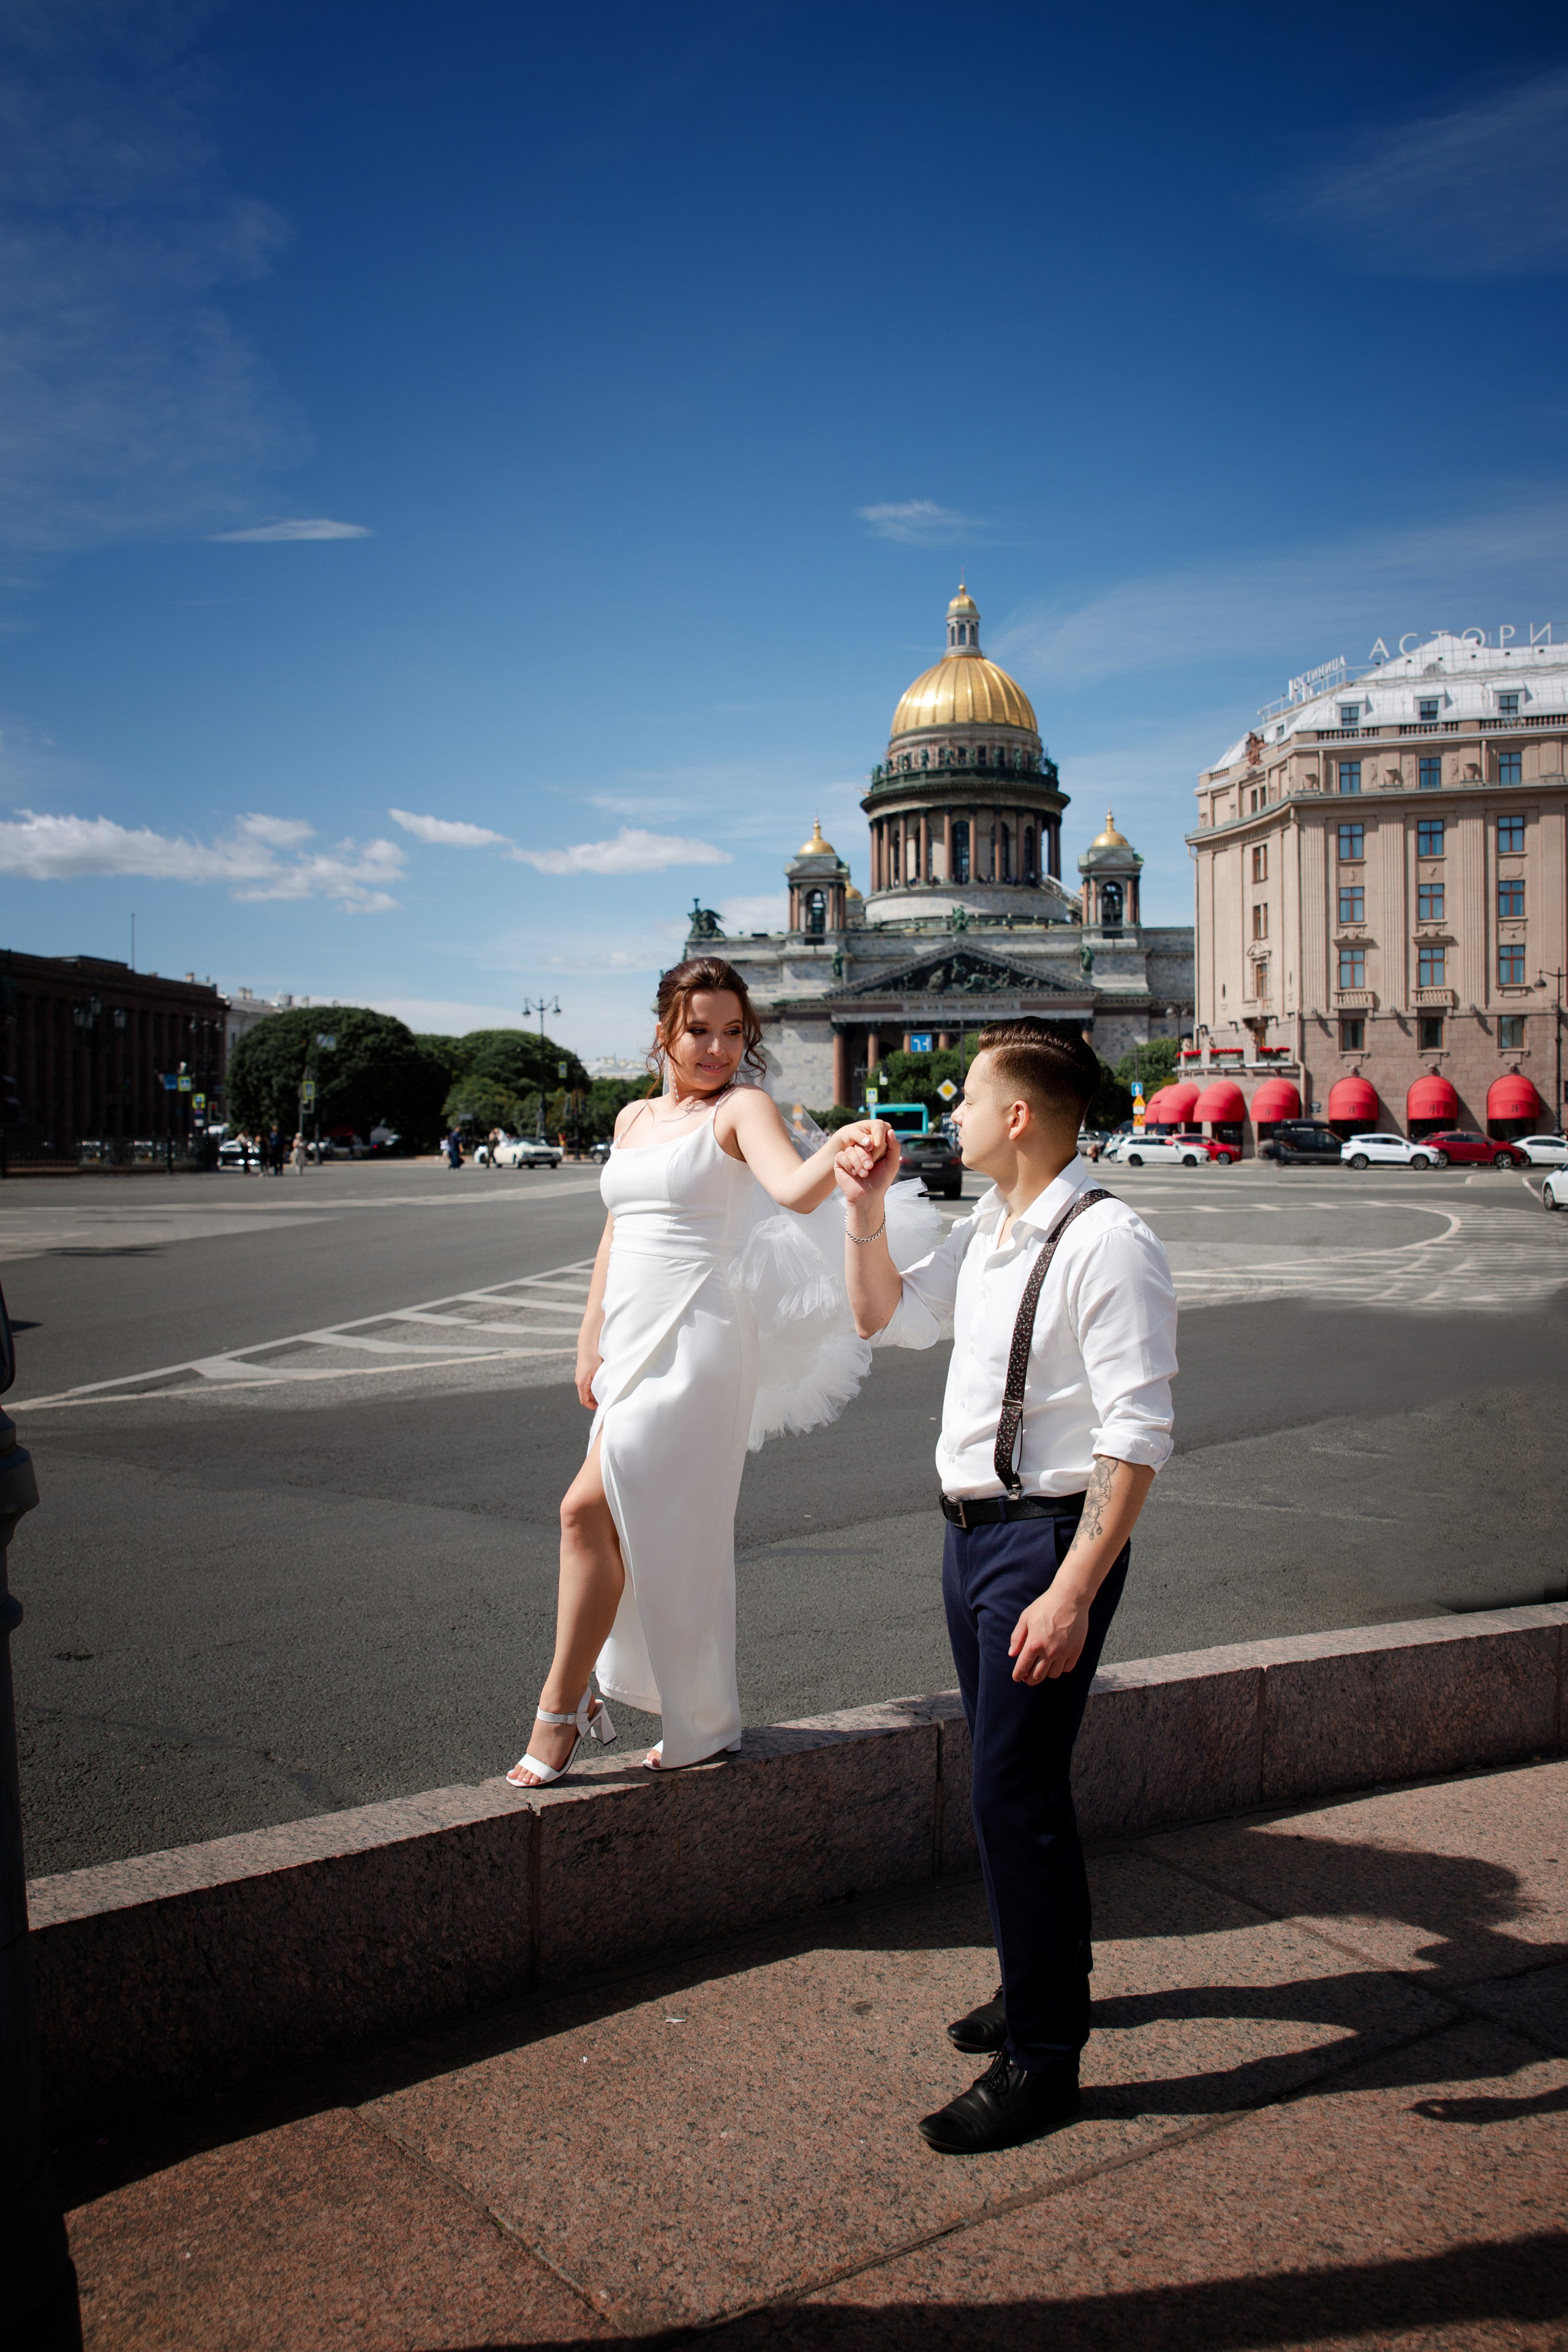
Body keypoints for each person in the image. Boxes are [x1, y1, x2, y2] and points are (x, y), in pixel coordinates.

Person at [835, 1019, 1176, 2156]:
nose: (953, 1104)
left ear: (1019, 1116)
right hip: (969, 1535)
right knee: (1016, 1784)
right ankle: (1048, 1977)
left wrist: (1076, 1589)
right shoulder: (991, 1224)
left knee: (1007, 1793)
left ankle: (1046, 2058)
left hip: (1045, 1541)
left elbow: (1138, 1436)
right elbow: (888, 1317)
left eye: (970, 1093)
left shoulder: (1107, 1239)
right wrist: (866, 1211)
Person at [505, 956, 901, 1787]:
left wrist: (840, 1145)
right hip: (631, 1338)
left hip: (702, 1338)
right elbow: (615, 1234)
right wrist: (589, 1341)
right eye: (698, 1031)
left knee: (594, 1512)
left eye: (731, 1033)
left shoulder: (742, 1109)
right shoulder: (631, 1119)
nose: (716, 1049)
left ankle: (562, 1708)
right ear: (663, 1032)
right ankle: (692, 1715)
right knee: (625, 1525)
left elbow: (794, 1191)